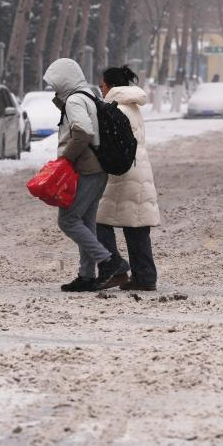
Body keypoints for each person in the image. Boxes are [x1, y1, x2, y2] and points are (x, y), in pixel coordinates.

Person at [44, 58, 130, 292]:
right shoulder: (87, 95)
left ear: (64, 80)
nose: (53, 88)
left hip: (86, 169)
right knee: (86, 222)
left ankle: (110, 261)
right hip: (97, 169)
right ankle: (86, 275)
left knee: (68, 220)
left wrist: (65, 159)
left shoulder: (74, 100)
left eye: (55, 83)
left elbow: (82, 132)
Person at [95, 65, 161, 291]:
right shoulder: (132, 107)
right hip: (139, 172)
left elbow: (111, 144)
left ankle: (116, 267)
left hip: (122, 175)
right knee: (136, 225)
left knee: (98, 221)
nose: (101, 89)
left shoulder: (116, 109)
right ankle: (145, 277)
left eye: (102, 85)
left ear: (110, 85)